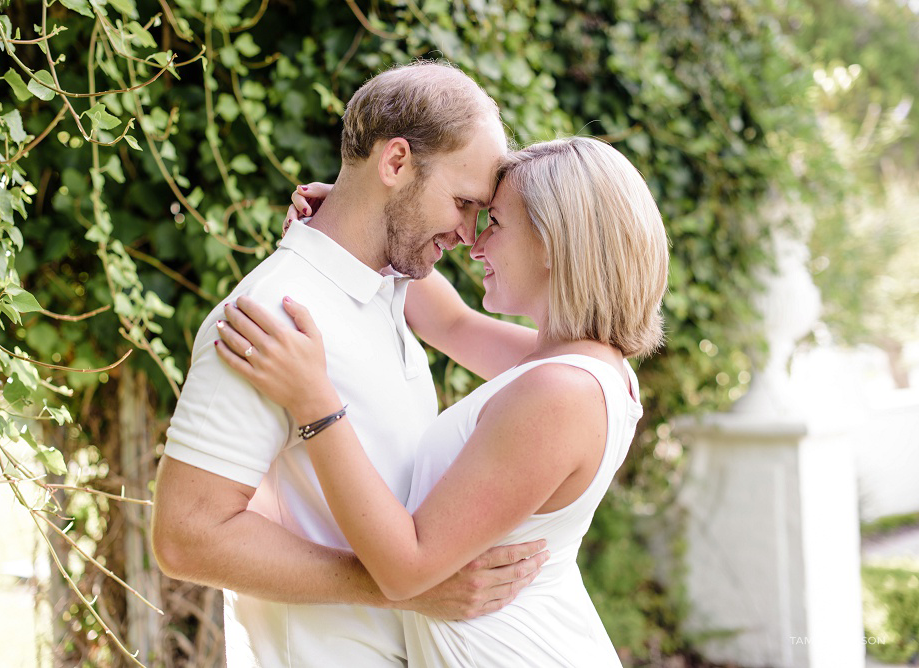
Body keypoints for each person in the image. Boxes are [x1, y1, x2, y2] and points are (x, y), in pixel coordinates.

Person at [151, 61, 551, 668]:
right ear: (395, 163)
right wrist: (404, 585)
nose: (472, 235)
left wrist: (596, 358)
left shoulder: (389, 288)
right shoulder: (270, 320)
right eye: (464, 202)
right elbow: (186, 537)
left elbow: (470, 331)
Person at [215, 136, 670, 666]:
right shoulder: (583, 367)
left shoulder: (560, 394)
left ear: (551, 243)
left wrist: (314, 401)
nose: (475, 245)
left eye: (494, 223)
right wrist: (354, 216)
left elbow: (406, 568)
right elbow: (447, 323)